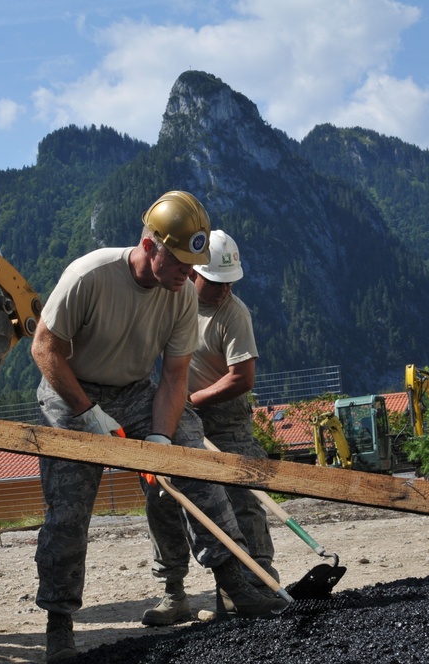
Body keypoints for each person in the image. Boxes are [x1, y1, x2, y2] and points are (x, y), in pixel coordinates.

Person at [29, 191, 288, 662]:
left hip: (134, 392)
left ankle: (235, 583)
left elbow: (173, 376)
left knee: (195, 461)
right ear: (151, 246)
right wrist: (87, 412)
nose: (189, 277)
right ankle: (59, 623)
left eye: (194, 268)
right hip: (70, 391)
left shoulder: (180, 294)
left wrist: (161, 439)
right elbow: (44, 349)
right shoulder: (90, 275)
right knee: (68, 513)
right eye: (181, 265)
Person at [144, 230, 279, 625]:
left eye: (230, 282)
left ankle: (259, 583)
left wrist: (193, 401)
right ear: (192, 275)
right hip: (174, 414)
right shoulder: (168, 302)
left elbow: (242, 378)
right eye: (217, 282)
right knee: (163, 498)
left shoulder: (234, 314)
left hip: (226, 421)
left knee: (242, 500)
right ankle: (174, 593)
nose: (225, 289)